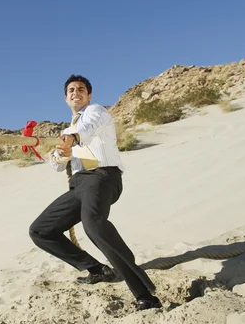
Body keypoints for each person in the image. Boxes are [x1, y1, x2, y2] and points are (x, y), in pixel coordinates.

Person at [28, 74, 162, 311]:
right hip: (78, 185)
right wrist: (62, 154)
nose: (75, 92)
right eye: (71, 89)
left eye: (81, 89)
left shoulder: (96, 112)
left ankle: (145, 293)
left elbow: (87, 130)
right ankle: (97, 269)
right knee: (40, 230)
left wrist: (74, 138)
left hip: (102, 177)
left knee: (93, 225)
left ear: (89, 95)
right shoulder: (66, 130)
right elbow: (57, 165)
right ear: (65, 97)